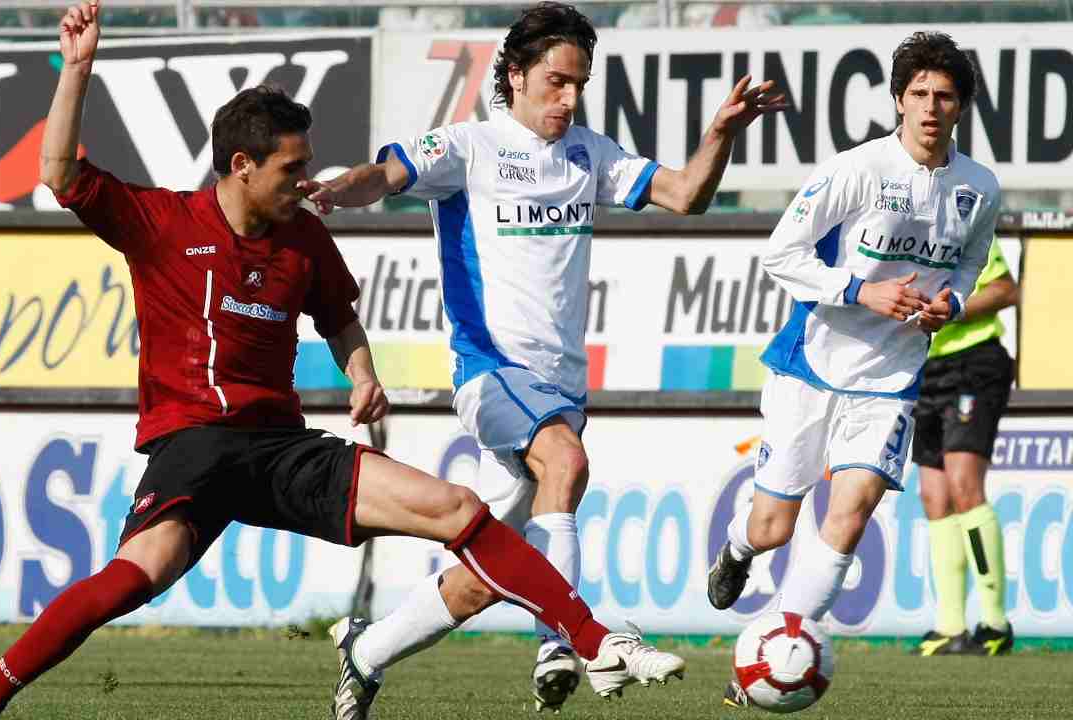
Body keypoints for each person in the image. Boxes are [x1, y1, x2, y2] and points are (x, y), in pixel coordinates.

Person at [0, 3, 682, 719]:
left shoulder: (303, 239)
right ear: (241, 166)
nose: (305, 181)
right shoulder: (164, 222)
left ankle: (589, 639)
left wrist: (361, 373)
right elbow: (62, 173)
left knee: (460, 511)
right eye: (294, 168)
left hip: (282, 447)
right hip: (194, 447)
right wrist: (77, 69)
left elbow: (340, 319)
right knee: (133, 578)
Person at [303, 2, 785, 714]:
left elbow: (685, 195)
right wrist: (341, 190)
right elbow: (386, 173)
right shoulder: (469, 146)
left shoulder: (590, 153)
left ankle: (367, 654)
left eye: (579, 84)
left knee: (493, 566)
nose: (568, 97)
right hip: (489, 369)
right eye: (556, 81)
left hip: (559, 387)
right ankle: (563, 640)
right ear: (516, 75)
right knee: (565, 463)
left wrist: (720, 134)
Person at [705, 31, 999, 707]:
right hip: (811, 365)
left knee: (853, 509)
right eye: (919, 94)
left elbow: (969, 264)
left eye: (944, 97)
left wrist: (949, 303)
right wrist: (859, 290)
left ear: (960, 108)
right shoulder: (856, 170)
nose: (930, 107)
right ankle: (736, 549)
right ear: (899, 99)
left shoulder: (979, 188)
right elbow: (782, 254)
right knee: (773, 526)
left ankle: (775, 654)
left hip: (891, 378)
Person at [912, 237, 1019, 657]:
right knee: (933, 497)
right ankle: (950, 626)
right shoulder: (892, 232)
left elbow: (1005, 288)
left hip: (974, 363)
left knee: (963, 486)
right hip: (922, 368)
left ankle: (995, 623)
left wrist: (947, 312)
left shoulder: (963, 224)